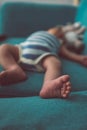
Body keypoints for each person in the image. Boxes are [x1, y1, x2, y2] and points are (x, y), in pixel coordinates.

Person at [0, 23, 86, 99]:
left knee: (55, 63)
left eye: (62, 34)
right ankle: (14, 69)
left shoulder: (59, 42)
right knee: (4, 48)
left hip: (43, 56)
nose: (59, 32)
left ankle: (48, 85)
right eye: (57, 29)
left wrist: (80, 58)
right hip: (22, 50)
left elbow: (67, 54)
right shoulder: (39, 33)